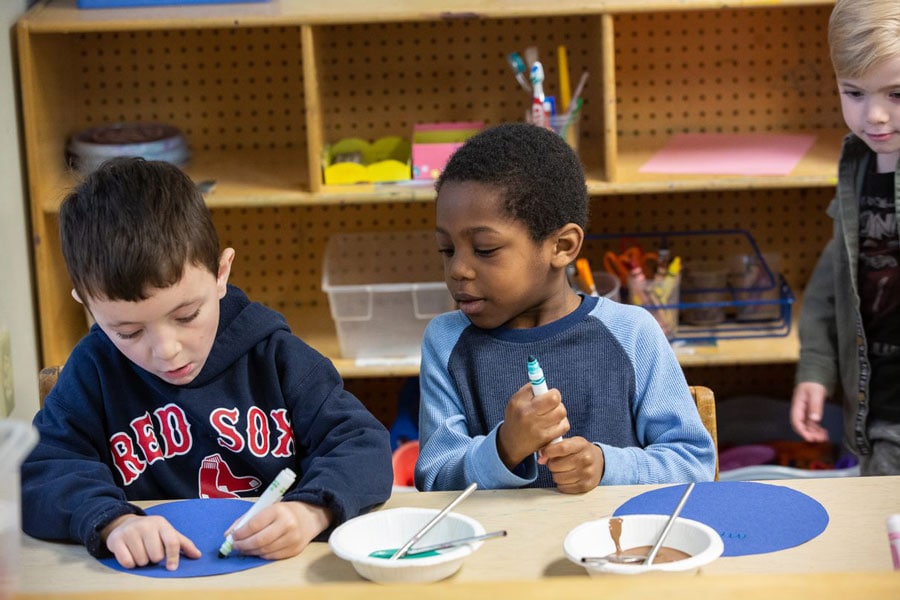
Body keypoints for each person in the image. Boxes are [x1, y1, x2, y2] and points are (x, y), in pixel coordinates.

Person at [21, 157, 393, 570]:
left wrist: (310, 511)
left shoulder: (277, 359)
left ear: (221, 272)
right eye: (128, 332)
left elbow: (363, 445)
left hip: (274, 577)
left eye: (185, 316)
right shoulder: (93, 370)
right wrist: (114, 522)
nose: (166, 350)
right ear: (87, 305)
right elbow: (42, 470)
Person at [414, 123, 716, 493]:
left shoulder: (633, 332)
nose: (457, 269)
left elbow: (694, 463)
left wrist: (606, 466)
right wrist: (504, 448)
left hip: (614, 544)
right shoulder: (445, 341)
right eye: (447, 250)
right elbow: (433, 479)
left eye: (485, 249)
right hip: (499, 548)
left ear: (562, 246)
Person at [790, 0, 900, 475]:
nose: (874, 116)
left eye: (897, 94)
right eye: (853, 93)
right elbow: (834, 281)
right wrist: (816, 369)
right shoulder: (859, 166)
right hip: (877, 415)